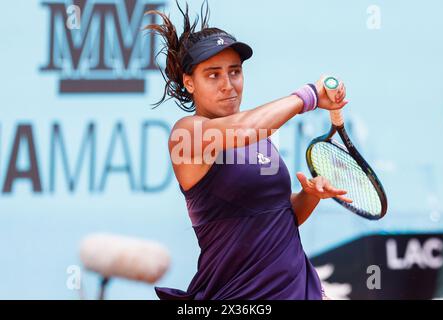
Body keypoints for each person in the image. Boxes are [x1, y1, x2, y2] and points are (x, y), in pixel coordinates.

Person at [144, 1, 351, 300]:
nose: (228, 85)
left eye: (235, 72)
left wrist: (310, 196)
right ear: (189, 82)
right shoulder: (186, 134)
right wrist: (308, 96)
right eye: (213, 75)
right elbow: (242, 129)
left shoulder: (261, 135)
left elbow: (277, 216)